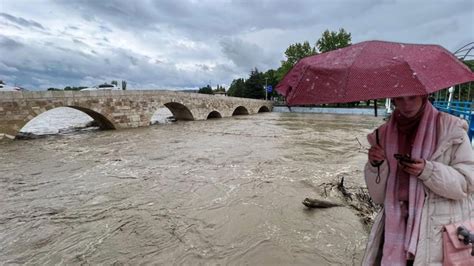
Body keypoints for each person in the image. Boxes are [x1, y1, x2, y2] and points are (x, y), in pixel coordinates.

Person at [362, 95, 474, 265]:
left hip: (436, 233)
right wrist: (376, 165)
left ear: (424, 96)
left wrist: (428, 171)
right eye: (400, 99)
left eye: (412, 97)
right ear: (393, 100)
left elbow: (468, 182)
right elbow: (378, 197)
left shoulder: (452, 129)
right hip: (393, 231)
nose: (406, 104)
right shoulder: (382, 135)